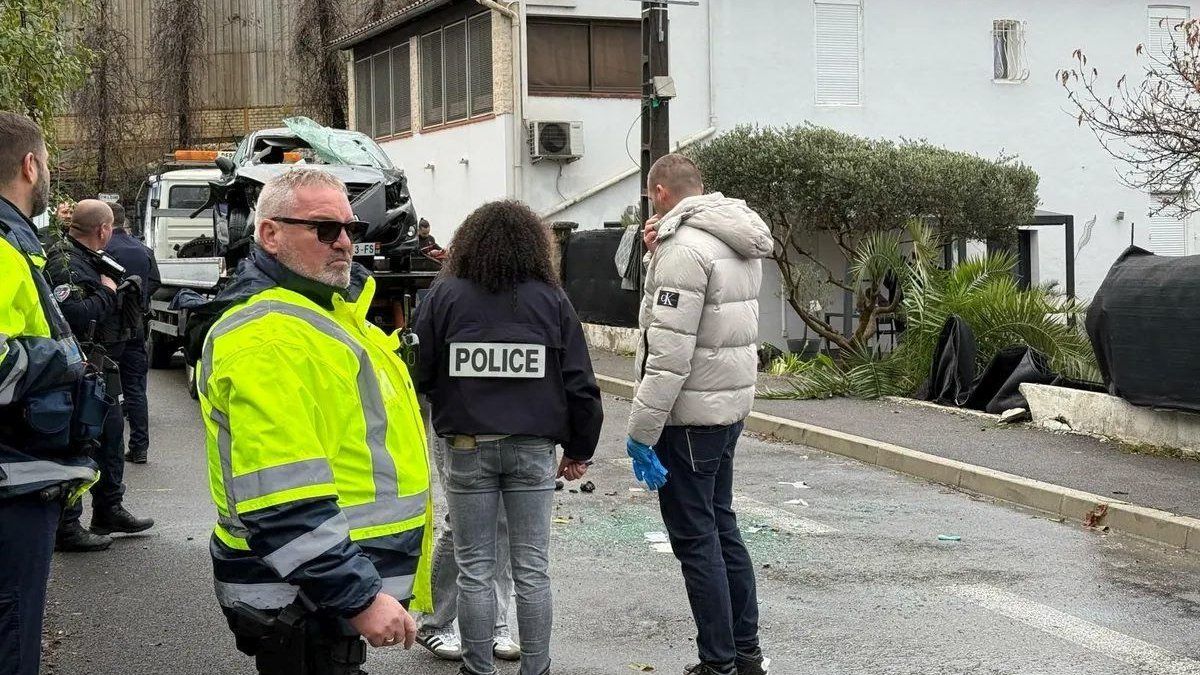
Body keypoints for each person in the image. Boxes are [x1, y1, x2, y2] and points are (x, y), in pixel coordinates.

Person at [186, 166, 434, 674]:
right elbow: (283, 500)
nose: (344, 242)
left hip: (319, 592)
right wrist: (360, 597)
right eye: (325, 229)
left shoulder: (322, 314)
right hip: (303, 598)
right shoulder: (270, 336)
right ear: (269, 234)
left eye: (351, 228)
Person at [412, 200, 602, 675]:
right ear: (534, 247)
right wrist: (580, 451)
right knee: (532, 571)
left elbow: (420, 368)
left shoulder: (445, 294)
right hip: (534, 449)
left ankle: (478, 668)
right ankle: (536, 668)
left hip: (467, 446)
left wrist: (452, 405)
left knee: (475, 569)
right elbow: (580, 381)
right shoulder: (551, 299)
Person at [626, 154, 774, 675]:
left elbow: (668, 352)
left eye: (650, 198)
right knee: (723, 528)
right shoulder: (732, 239)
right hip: (728, 406)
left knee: (696, 541)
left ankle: (718, 662)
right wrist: (655, 254)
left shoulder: (684, 250)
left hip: (688, 416)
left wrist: (642, 432)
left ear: (661, 194)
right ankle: (745, 653)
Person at [0, 111, 100, 675]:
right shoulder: (2, 249)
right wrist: (63, 357)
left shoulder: (19, 246)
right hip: (10, 478)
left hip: (17, 471)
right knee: (11, 631)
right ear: (29, 164)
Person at [46, 199, 154, 551]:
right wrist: (109, 294)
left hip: (99, 363)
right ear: (104, 230)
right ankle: (67, 525)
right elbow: (73, 313)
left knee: (109, 435)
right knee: (81, 442)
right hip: (76, 366)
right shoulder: (65, 261)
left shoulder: (85, 256)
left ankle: (109, 509)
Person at [415, 448, 520, 663]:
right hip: (462, 429)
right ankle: (435, 623)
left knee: (503, 520)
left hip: (508, 429)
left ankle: (493, 624)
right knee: (463, 521)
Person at [104, 202, 160, 464]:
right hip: (137, 324)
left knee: (106, 389)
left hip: (109, 329)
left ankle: (106, 449)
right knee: (136, 389)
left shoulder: (104, 250)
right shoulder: (143, 249)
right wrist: (141, 301)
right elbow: (156, 280)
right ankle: (140, 447)